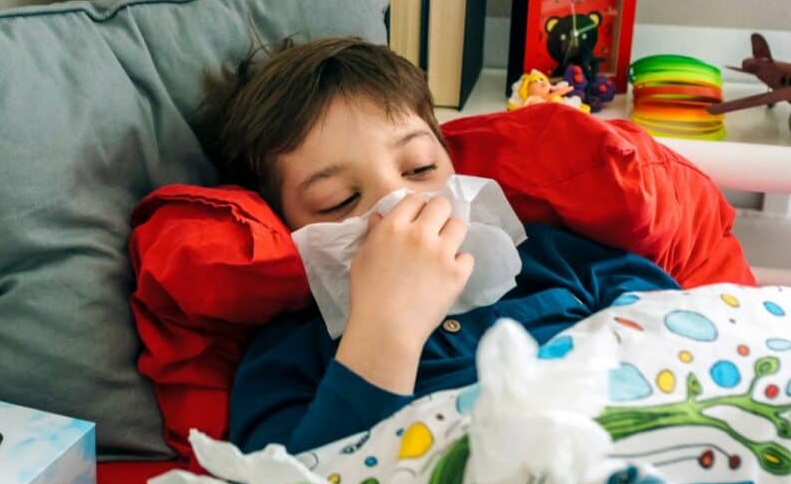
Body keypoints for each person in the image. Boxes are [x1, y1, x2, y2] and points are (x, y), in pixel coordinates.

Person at [197, 37, 678, 455]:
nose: (401, 206)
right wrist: (384, 332)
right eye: (338, 201)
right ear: (282, 226)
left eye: (420, 168)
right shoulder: (291, 352)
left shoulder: (551, 258)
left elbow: (681, 339)